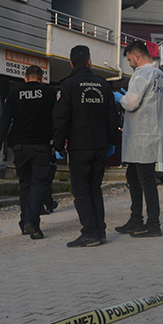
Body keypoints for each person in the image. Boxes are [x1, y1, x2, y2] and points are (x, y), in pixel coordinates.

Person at [53, 45, 120, 247]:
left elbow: (61, 117)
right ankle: (100, 231)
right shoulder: (103, 85)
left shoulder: (68, 85)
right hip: (100, 146)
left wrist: (58, 144)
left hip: (79, 146)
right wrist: (112, 141)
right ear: (90, 62)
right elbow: (113, 116)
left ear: (71, 63)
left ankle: (90, 232)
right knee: (95, 189)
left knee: (81, 191)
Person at [0, 65, 57, 239]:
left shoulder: (14, 95)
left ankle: (24, 222)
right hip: (40, 146)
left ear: (25, 79)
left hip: (19, 147)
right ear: (41, 79)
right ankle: (31, 223)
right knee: (39, 183)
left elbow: (4, 121)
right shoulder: (50, 93)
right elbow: (59, 117)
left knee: (25, 184)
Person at [113, 40, 163, 237]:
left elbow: (131, 103)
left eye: (129, 59)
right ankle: (136, 218)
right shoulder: (162, 76)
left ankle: (153, 224)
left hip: (142, 134)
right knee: (134, 176)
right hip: (152, 132)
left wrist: (119, 97)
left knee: (145, 180)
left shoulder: (142, 74)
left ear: (137, 56)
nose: (129, 64)